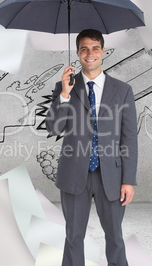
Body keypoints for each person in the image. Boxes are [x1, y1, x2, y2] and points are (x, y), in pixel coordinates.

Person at [46, 29, 138, 266]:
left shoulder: (122, 90)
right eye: (84, 48)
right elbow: (55, 129)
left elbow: (129, 139)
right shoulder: (64, 87)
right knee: (74, 237)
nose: (90, 53)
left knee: (115, 237)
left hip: (112, 175)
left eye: (95, 47)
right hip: (75, 174)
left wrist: (128, 180)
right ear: (77, 53)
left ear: (103, 51)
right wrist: (65, 95)